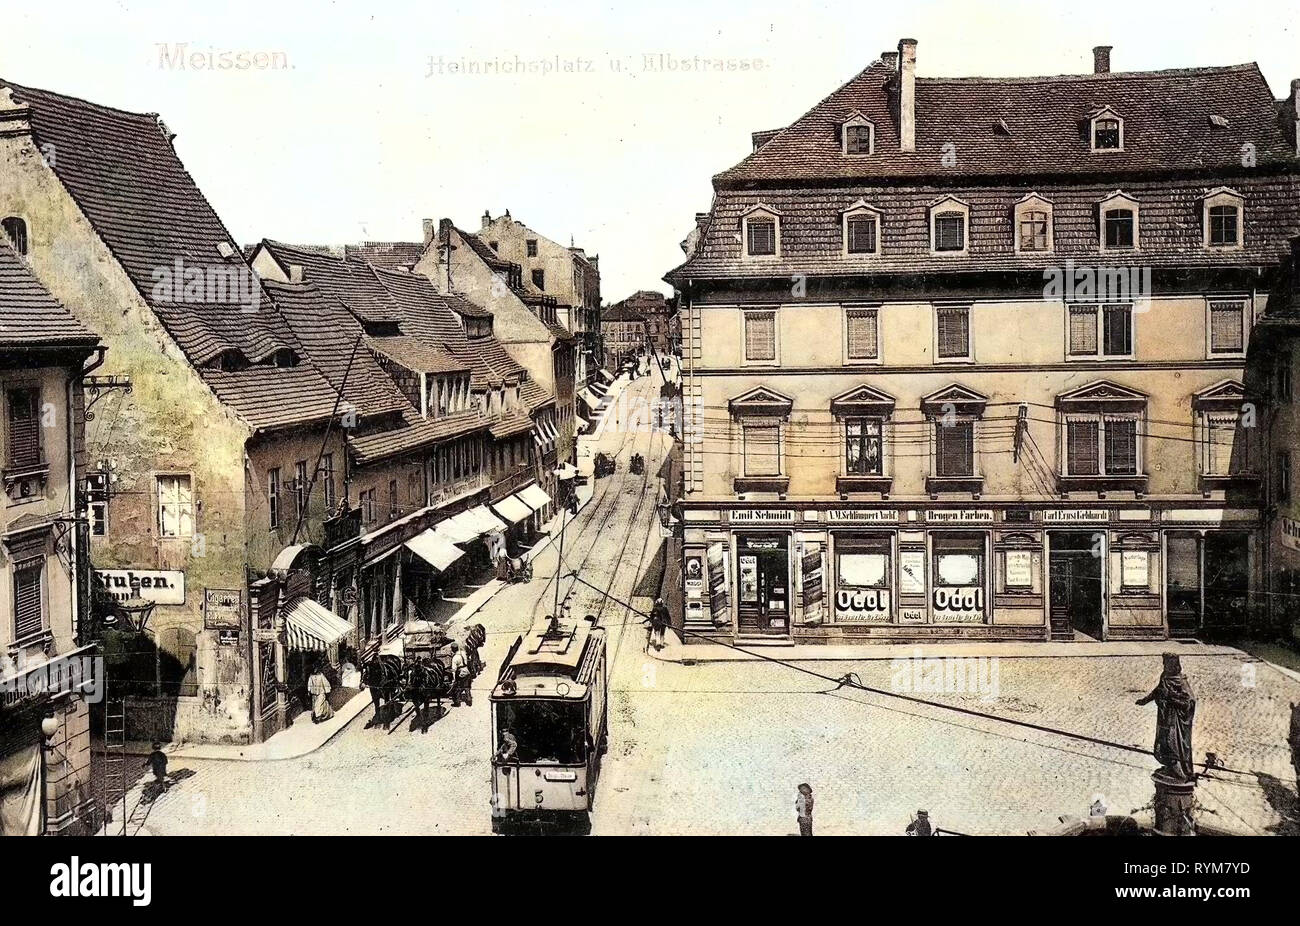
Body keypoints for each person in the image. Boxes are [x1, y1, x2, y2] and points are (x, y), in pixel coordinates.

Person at [1136, 653, 1196, 782]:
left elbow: (1189, 702)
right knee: (1163, 742)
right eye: (1164, 663)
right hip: (1164, 717)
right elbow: (1158, 691)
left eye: (1166, 664)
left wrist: (1170, 696)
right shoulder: (1165, 677)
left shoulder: (1181, 681)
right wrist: (1145, 700)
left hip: (1175, 721)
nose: (1164, 666)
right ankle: (1170, 767)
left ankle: (1179, 773)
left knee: (1172, 743)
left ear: (1174, 665)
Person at [449, 642, 470, 707]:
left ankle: (457, 703)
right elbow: (466, 662)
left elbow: (454, 670)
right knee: (467, 687)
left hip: (460, 673)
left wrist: (454, 679)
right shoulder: (463, 653)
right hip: (466, 671)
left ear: (452, 649)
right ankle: (469, 700)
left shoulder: (455, 658)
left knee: (457, 688)